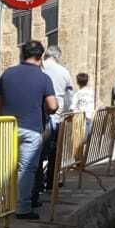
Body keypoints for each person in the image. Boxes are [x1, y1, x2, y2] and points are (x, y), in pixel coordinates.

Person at [0, 40, 58, 220]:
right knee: (26, 169)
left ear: (22, 54)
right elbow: (53, 105)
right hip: (31, 129)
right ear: (40, 57)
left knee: (6, 166)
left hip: (8, 126)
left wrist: (1, 117)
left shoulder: (7, 74)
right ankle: (23, 208)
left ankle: (3, 202)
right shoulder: (43, 78)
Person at [39, 45, 76, 201]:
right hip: (57, 115)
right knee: (54, 151)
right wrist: (67, 112)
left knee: (38, 152)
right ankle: (50, 182)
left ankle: (37, 183)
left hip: (40, 115)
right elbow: (69, 96)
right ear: (57, 56)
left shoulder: (40, 69)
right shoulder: (64, 72)